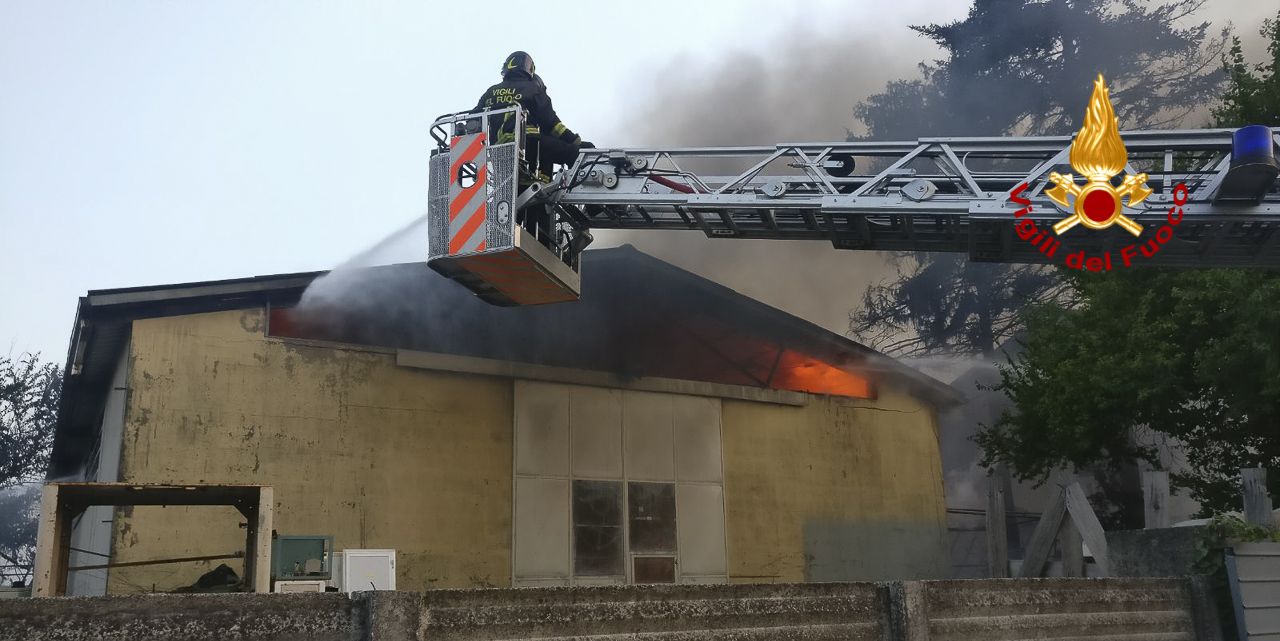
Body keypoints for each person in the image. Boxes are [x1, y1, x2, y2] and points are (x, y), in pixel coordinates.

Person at [473, 51, 593, 178]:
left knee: (549, 144)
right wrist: (575, 143)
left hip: (498, 153)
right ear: (529, 68)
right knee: (572, 153)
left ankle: (533, 180)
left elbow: (474, 119)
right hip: (528, 145)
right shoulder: (533, 89)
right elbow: (552, 124)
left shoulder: (490, 92)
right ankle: (545, 180)